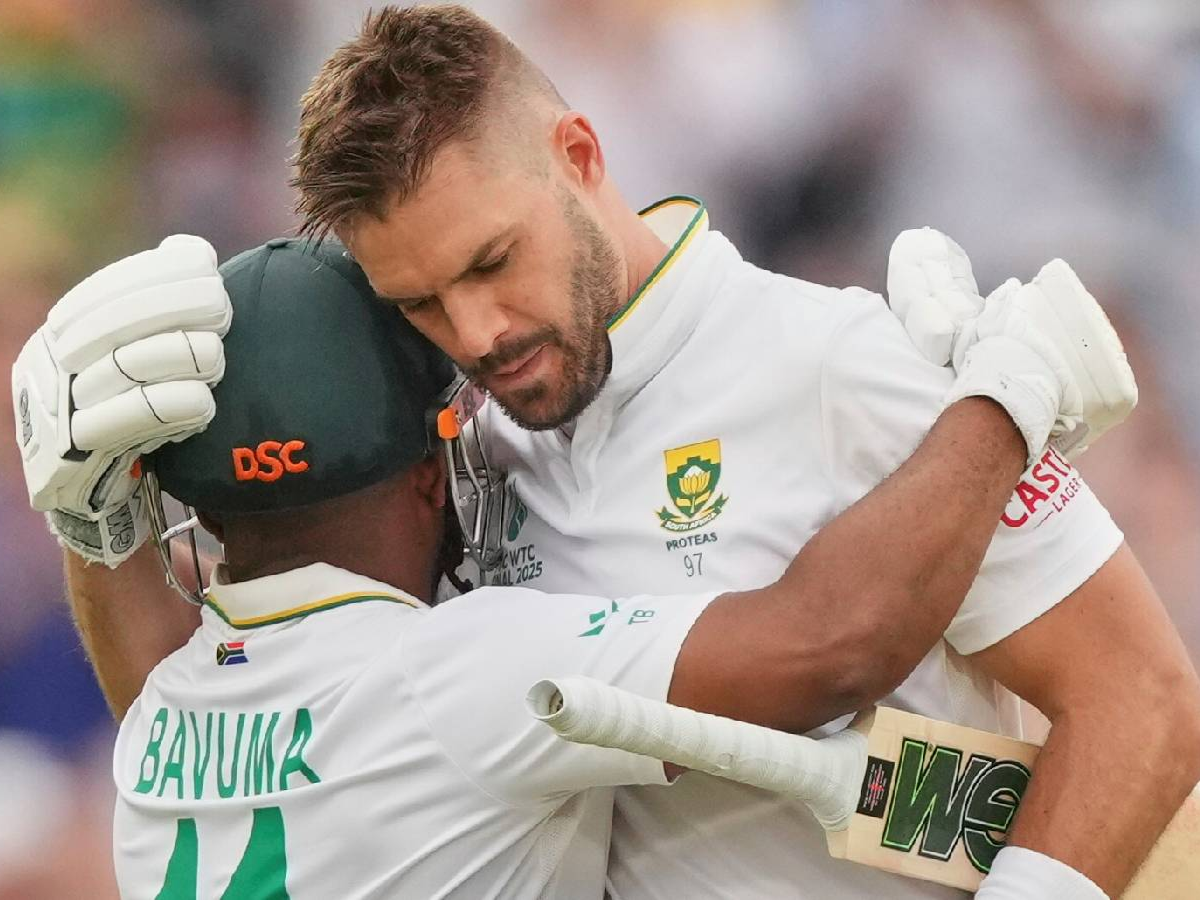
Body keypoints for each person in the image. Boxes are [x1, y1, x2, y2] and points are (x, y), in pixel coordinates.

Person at [11, 5, 1197, 898]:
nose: (476, 334)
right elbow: (266, 727)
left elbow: (1143, 698)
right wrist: (96, 525)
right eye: (420, 304)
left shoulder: (844, 363)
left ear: (579, 154)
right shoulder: (446, 447)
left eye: (491, 262)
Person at [105, 237, 1054, 898]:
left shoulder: (155, 720)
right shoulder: (458, 669)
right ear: (431, 476)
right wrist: (1008, 396)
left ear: (206, 509)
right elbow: (834, 643)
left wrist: (86, 527)